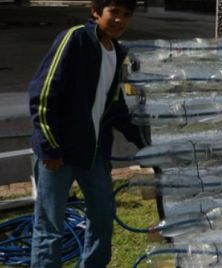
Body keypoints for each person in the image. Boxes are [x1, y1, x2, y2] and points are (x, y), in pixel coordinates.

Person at [28, 0, 144, 266]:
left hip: (93, 154)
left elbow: (115, 107)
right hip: (58, 153)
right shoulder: (75, 39)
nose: (120, 20)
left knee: (103, 216)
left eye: (126, 15)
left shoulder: (117, 52)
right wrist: (49, 146)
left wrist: (143, 142)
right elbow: (42, 93)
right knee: (50, 227)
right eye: (113, 12)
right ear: (95, 11)